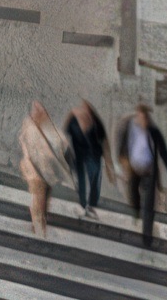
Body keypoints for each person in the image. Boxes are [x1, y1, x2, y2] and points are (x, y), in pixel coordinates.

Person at [117, 103, 167, 247]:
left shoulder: (153, 131)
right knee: (134, 194)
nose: (144, 121)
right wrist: (123, 165)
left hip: (149, 171)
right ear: (138, 117)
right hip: (134, 169)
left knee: (149, 204)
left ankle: (147, 236)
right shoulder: (130, 127)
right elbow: (122, 147)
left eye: (146, 118)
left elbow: (163, 150)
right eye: (142, 117)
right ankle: (136, 210)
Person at [17, 101, 66, 237]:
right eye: (37, 111)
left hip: (47, 172)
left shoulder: (46, 125)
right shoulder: (30, 127)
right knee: (39, 199)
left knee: (45, 197)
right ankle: (38, 227)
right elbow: (25, 142)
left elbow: (59, 140)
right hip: (35, 174)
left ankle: (41, 216)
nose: (39, 114)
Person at [64, 100, 112, 219]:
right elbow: (65, 134)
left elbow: (104, 142)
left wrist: (108, 163)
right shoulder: (74, 120)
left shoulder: (95, 124)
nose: (83, 111)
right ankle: (84, 204)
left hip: (93, 155)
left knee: (94, 178)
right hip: (80, 154)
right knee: (83, 178)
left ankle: (91, 203)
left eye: (86, 110)